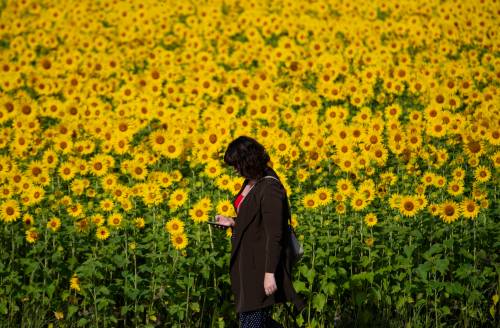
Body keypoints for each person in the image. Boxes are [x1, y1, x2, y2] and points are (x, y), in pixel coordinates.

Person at [215, 136, 306, 328]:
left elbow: (275, 234)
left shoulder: (270, 187)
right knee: (253, 321)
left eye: (236, 164)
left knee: (252, 323)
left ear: (248, 161)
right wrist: (232, 221)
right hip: (247, 266)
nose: (234, 170)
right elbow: (254, 219)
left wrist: (269, 273)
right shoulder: (250, 181)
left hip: (260, 268)